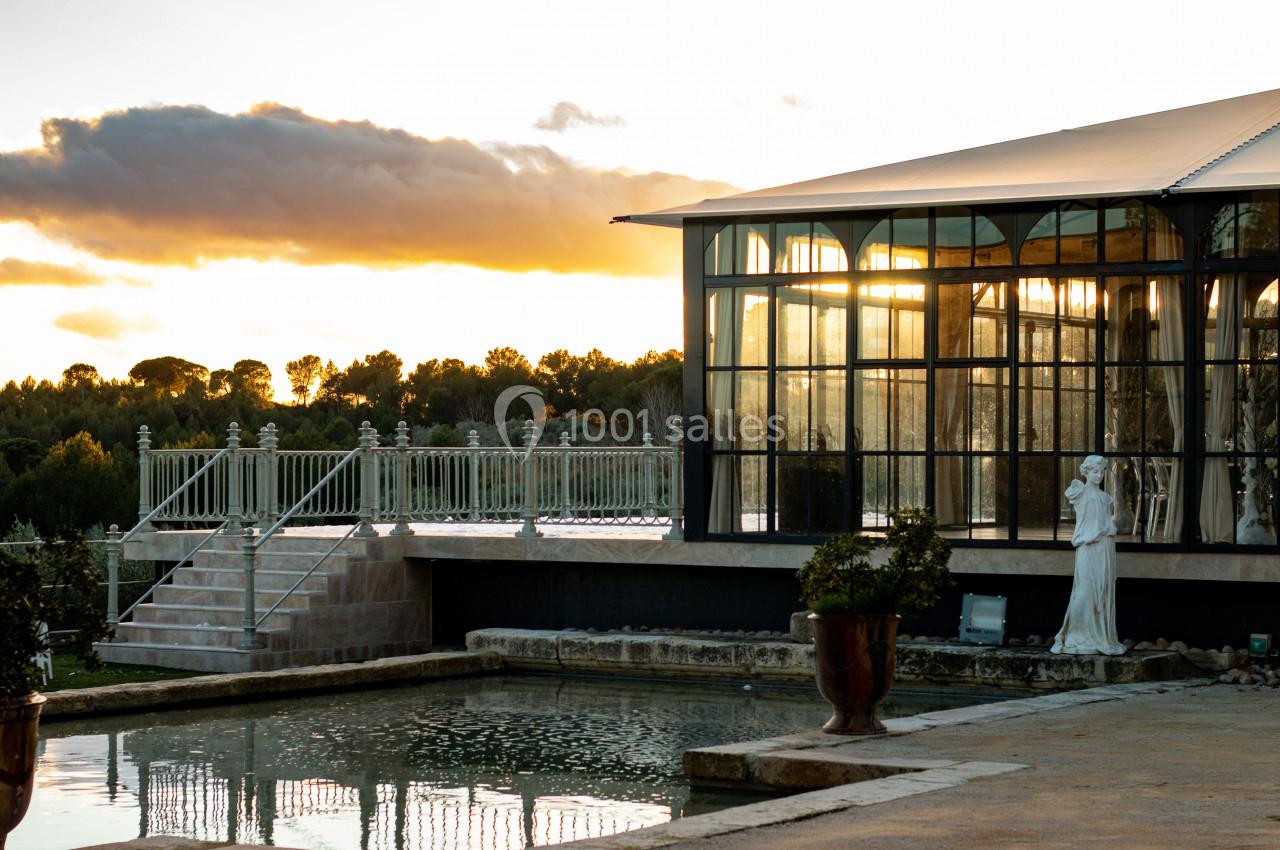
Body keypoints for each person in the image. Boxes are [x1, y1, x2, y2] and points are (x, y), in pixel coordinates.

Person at [1051, 455, 1126, 656]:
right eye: (1094, 471)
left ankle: (1097, 634)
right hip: (1087, 547)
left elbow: (1106, 523)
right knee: (1085, 590)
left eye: (1101, 472)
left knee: (1102, 591)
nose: (1099, 475)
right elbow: (1072, 494)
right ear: (1086, 472)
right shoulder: (1080, 493)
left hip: (1104, 547)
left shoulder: (1104, 497)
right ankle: (1076, 633)